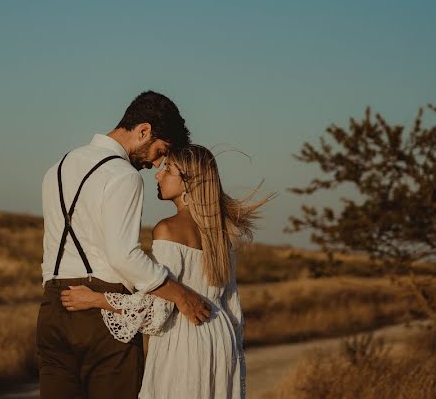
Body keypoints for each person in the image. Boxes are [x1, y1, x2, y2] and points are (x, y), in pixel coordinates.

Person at [37, 91, 212, 399]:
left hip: (53, 308)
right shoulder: (123, 175)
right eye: (160, 150)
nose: (157, 161)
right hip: (102, 317)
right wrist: (181, 295)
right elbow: (124, 257)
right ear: (143, 131)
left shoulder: (56, 169)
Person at [61, 144, 272, 399]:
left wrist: (94, 299)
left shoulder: (168, 230)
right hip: (221, 340)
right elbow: (234, 310)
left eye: (168, 170)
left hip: (183, 343)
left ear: (188, 183)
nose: (158, 175)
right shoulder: (221, 237)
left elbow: (158, 309)